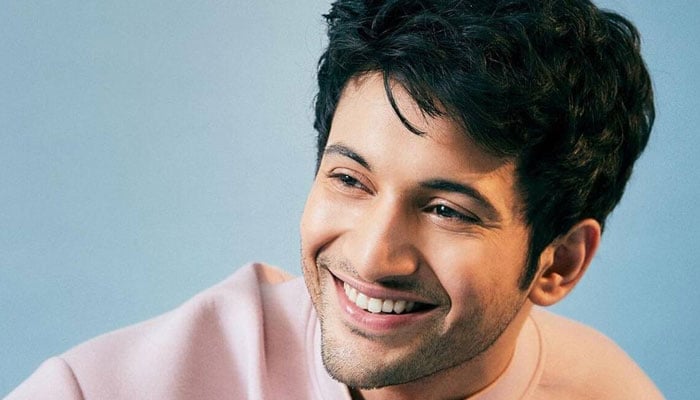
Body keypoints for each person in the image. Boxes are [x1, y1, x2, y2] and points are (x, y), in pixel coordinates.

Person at [6, 0, 663, 399]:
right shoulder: (102, 390)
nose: (373, 257)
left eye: (446, 210)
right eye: (350, 180)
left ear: (559, 262)